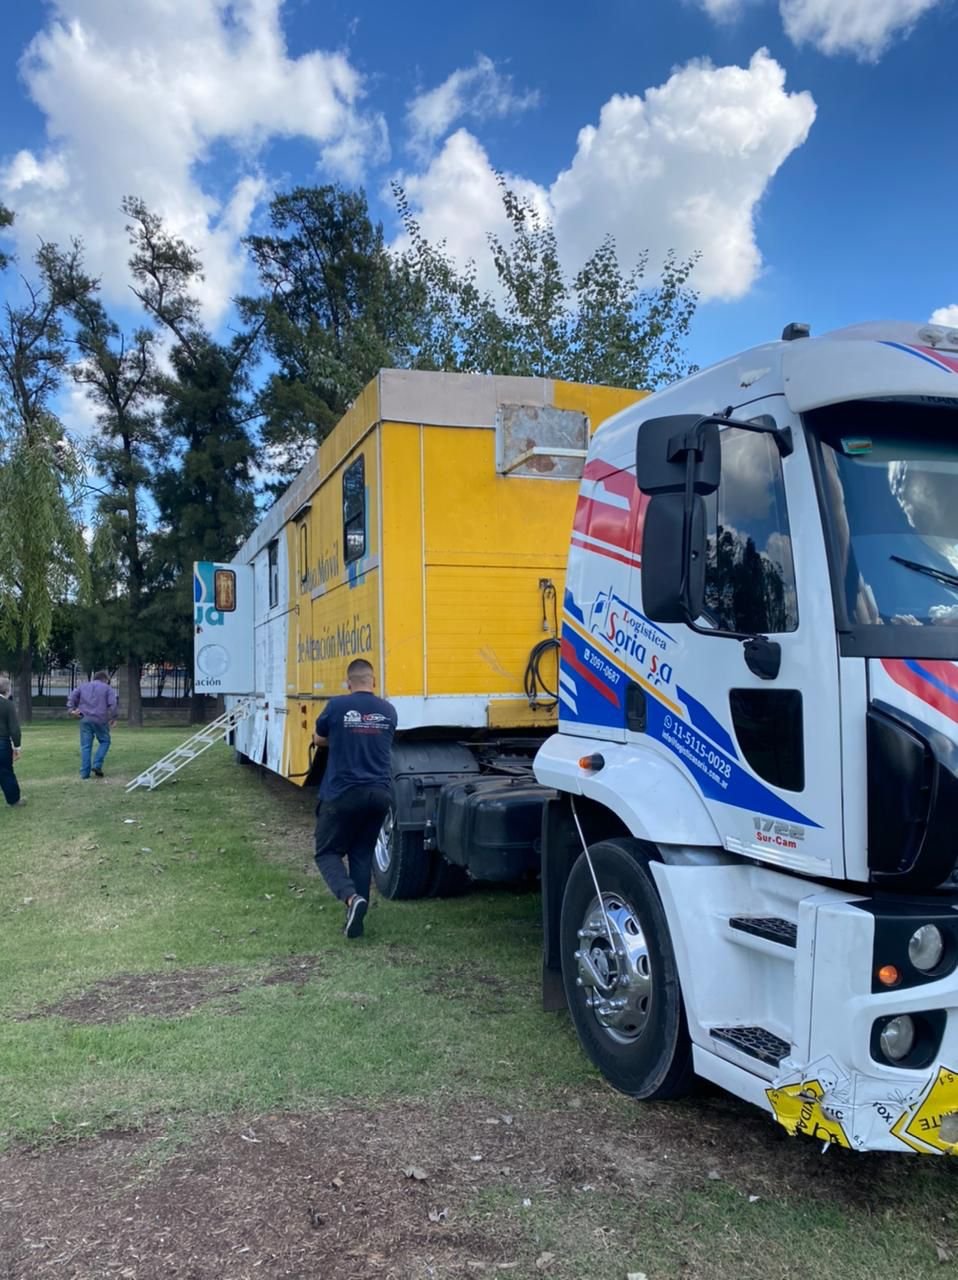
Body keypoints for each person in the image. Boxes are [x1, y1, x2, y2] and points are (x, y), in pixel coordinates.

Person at [312, 658, 397, 939]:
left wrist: (338, 736)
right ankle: (356, 921)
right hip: (380, 795)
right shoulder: (388, 710)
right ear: (374, 682)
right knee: (361, 853)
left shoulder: (337, 706)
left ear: (349, 683)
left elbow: (319, 737)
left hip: (343, 793)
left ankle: (351, 898)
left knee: (327, 852)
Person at [67, 670, 118, 779]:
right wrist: (113, 718)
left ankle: (85, 773)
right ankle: (97, 764)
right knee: (105, 741)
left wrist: (72, 710)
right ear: (105, 679)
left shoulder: (82, 686)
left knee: (86, 746)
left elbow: (72, 697)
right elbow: (113, 704)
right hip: (100, 719)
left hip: (84, 718)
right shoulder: (107, 688)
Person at [0, 676, 24, 807]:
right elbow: (14, 729)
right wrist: (17, 747)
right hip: (2, 743)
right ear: (7, 689)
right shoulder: (7, 705)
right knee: (6, 772)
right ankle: (14, 800)